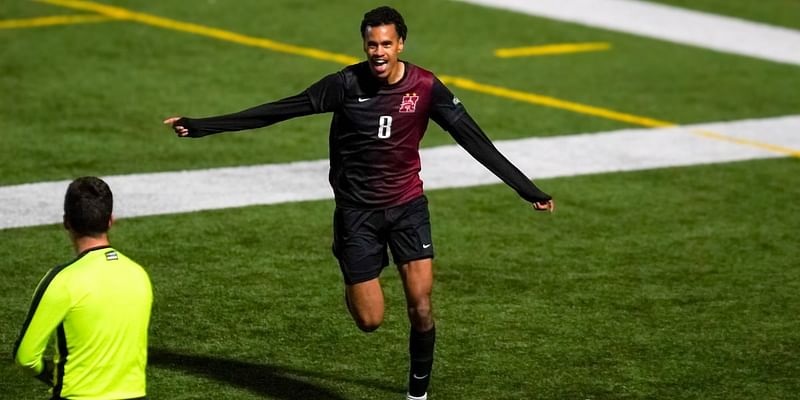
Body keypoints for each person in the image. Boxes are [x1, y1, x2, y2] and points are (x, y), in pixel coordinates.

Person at [164, 6, 553, 399]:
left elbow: (474, 139)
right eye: (372, 44)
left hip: (407, 207)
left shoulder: (425, 87)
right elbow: (281, 110)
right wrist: (203, 126)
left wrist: (527, 189)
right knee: (370, 321)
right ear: (364, 46)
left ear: (401, 44)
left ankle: (417, 393)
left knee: (420, 303)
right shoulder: (344, 84)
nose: (379, 52)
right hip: (357, 214)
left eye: (387, 44)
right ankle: (349, 265)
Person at [13, 176, 153, 400]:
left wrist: (49, 373)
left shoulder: (62, 280)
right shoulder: (139, 275)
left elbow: (26, 357)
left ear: (66, 222)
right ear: (110, 221)